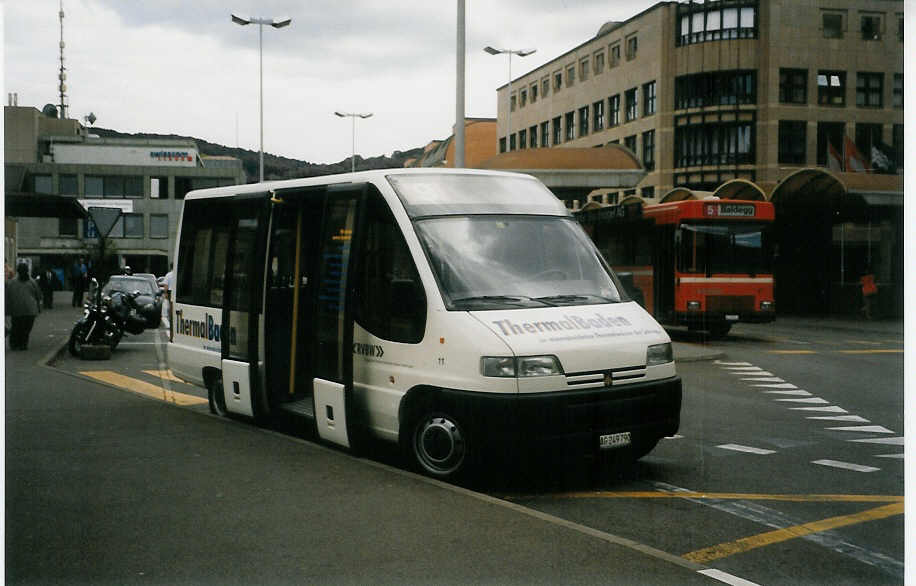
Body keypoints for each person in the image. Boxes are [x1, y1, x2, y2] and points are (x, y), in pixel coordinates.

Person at [6, 262, 42, 350]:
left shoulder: (12, 283)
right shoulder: (32, 282)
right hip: (30, 311)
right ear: (27, 271)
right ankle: (23, 344)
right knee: (26, 329)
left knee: (16, 328)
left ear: (18, 271)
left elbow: (8, 297)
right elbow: (38, 295)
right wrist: (39, 308)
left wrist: (7, 310)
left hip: (17, 310)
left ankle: (15, 344)